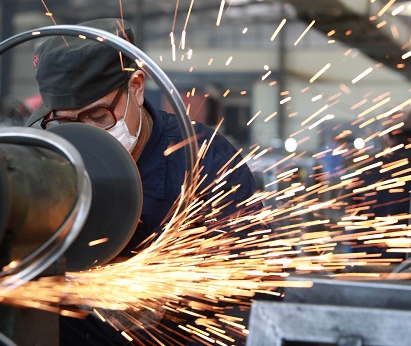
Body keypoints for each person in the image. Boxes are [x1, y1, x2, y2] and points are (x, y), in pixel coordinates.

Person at [26, 18, 257, 345]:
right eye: (65, 122)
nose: (84, 135)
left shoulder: (205, 158)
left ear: (135, 87)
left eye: (97, 116)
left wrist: (170, 294)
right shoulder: (38, 150)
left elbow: (245, 281)